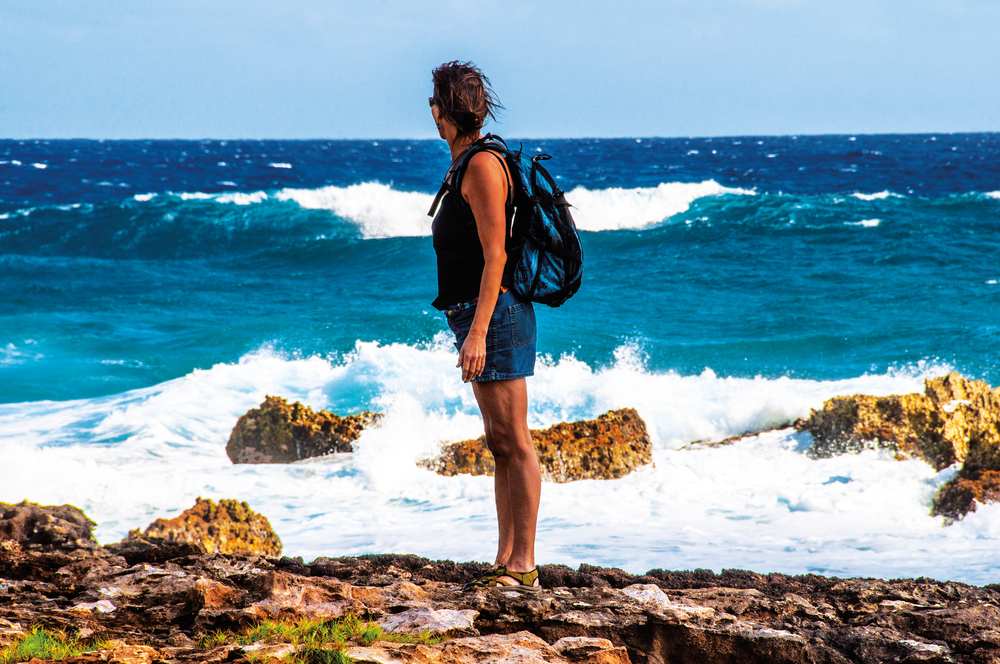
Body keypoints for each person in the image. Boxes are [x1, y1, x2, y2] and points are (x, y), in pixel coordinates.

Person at [429, 61, 542, 591]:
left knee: (514, 441)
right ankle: (505, 560)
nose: (431, 111)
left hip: (495, 317)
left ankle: (525, 566)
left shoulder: (480, 166)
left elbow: (495, 255)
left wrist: (477, 333)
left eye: (435, 101)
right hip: (480, 315)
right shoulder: (465, 163)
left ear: (446, 111)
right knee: (498, 442)